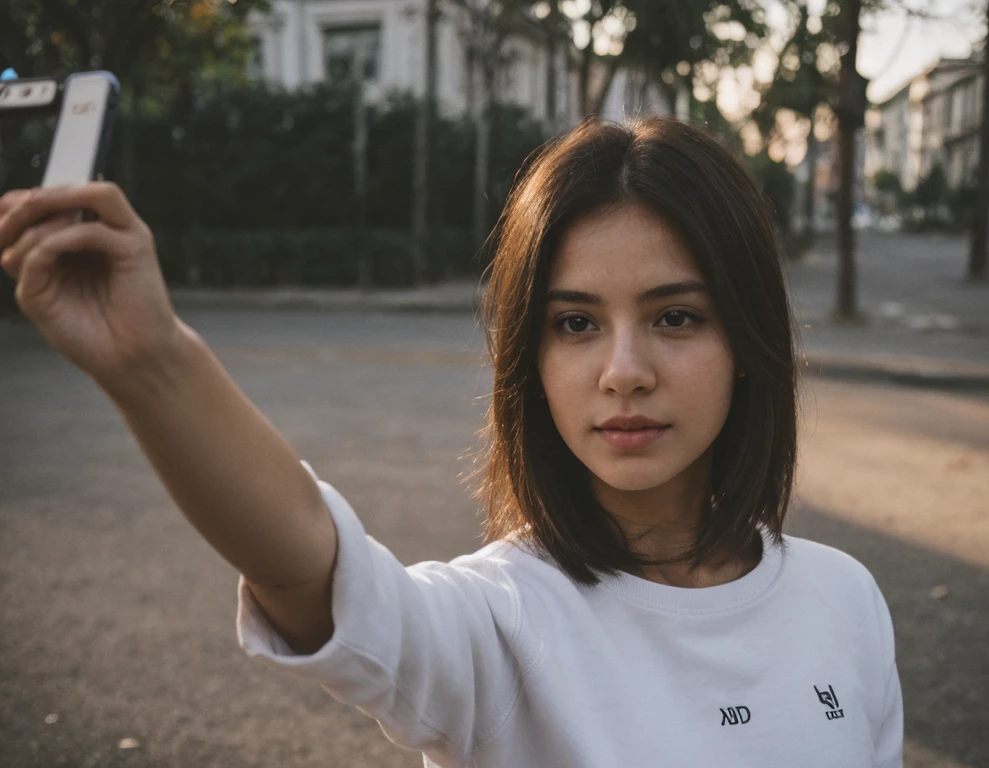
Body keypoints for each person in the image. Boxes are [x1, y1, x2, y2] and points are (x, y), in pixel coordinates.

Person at [0, 116, 902, 767]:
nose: (624, 370)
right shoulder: (496, 624)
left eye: (675, 315)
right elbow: (311, 570)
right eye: (575, 325)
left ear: (746, 339)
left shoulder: (845, 598)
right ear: (528, 358)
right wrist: (153, 362)